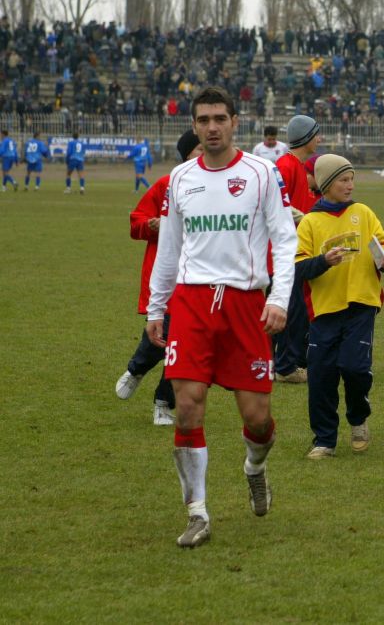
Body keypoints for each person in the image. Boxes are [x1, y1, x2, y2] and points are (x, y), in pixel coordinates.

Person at [146, 87, 298, 549]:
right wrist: (156, 306)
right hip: (192, 304)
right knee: (188, 407)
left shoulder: (261, 174)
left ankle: (255, 466)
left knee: (258, 418)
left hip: (245, 305)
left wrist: (279, 299)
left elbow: (285, 239)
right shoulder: (180, 179)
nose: (211, 127)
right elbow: (169, 248)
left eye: (219, 119)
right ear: (194, 126)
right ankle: (197, 512)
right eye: (203, 120)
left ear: (235, 122)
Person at [295, 155, 384, 459]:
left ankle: (358, 417)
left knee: (355, 367)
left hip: (362, 304)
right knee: (321, 376)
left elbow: (382, 247)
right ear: (326, 184)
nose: (350, 185)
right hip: (324, 310)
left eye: (352, 179)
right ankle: (324, 440)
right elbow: (298, 268)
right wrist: (323, 261)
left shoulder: (363, 212)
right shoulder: (310, 222)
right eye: (343, 179)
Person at [115, 131, 203, 425]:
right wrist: (151, 226)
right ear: (186, 154)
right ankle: (137, 368)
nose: (204, 153)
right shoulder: (167, 184)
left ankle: (163, 403)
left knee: (184, 345)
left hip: (200, 278)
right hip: (168, 278)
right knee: (161, 336)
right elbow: (136, 223)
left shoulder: (216, 187)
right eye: (198, 149)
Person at [271, 115, 323, 383]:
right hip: (285, 252)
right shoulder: (286, 165)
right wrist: (305, 218)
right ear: (306, 137)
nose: (319, 139)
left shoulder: (298, 166)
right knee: (291, 310)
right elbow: (276, 203)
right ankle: (285, 367)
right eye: (316, 134)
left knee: (296, 309)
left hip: (297, 249)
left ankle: (278, 363)